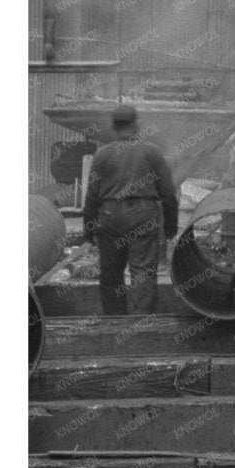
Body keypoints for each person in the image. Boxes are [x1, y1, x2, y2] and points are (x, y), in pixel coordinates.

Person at [80, 103, 179, 315]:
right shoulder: (152, 151)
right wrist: (171, 226)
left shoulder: (101, 155)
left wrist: (88, 231)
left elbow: (92, 197)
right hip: (142, 216)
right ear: (136, 125)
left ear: (113, 127)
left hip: (109, 216)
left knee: (110, 275)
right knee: (143, 273)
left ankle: (115, 325)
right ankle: (140, 329)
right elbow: (168, 194)